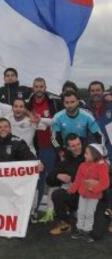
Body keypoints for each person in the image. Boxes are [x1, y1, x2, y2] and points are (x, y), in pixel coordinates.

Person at [27, 77, 62, 222]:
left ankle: (51, 210)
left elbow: (58, 120)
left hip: (51, 146)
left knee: (52, 178)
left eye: (41, 86)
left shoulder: (53, 102)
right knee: (38, 180)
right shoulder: (29, 104)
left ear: (45, 87)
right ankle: (34, 210)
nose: (39, 89)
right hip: (36, 147)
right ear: (33, 88)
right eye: (36, 86)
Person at [68, 144, 110, 242]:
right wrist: (72, 189)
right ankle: (80, 230)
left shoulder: (102, 166)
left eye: (87, 153)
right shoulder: (82, 165)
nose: (84, 155)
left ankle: (87, 231)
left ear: (95, 155)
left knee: (89, 214)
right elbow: (78, 180)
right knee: (81, 212)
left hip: (94, 196)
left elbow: (105, 183)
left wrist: (94, 189)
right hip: (82, 195)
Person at [47, 134, 85, 235]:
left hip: (93, 196)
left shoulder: (91, 154)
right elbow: (49, 180)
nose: (77, 148)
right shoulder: (66, 160)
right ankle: (65, 223)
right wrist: (57, 176)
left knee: (96, 233)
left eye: (78, 144)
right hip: (76, 196)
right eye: (73, 146)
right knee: (57, 194)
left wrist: (72, 177)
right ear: (67, 147)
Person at [52, 91, 102, 156]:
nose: (69, 105)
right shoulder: (57, 117)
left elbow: (99, 136)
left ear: (78, 102)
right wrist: (59, 151)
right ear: (63, 103)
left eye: (72, 102)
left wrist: (100, 151)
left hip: (83, 153)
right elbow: (53, 139)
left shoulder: (88, 116)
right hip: (65, 152)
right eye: (67, 102)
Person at [87, 81, 112, 163]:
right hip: (93, 151)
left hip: (110, 149)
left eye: (98, 90)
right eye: (92, 91)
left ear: (103, 91)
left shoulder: (110, 105)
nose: (95, 93)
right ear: (89, 92)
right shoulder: (84, 109)